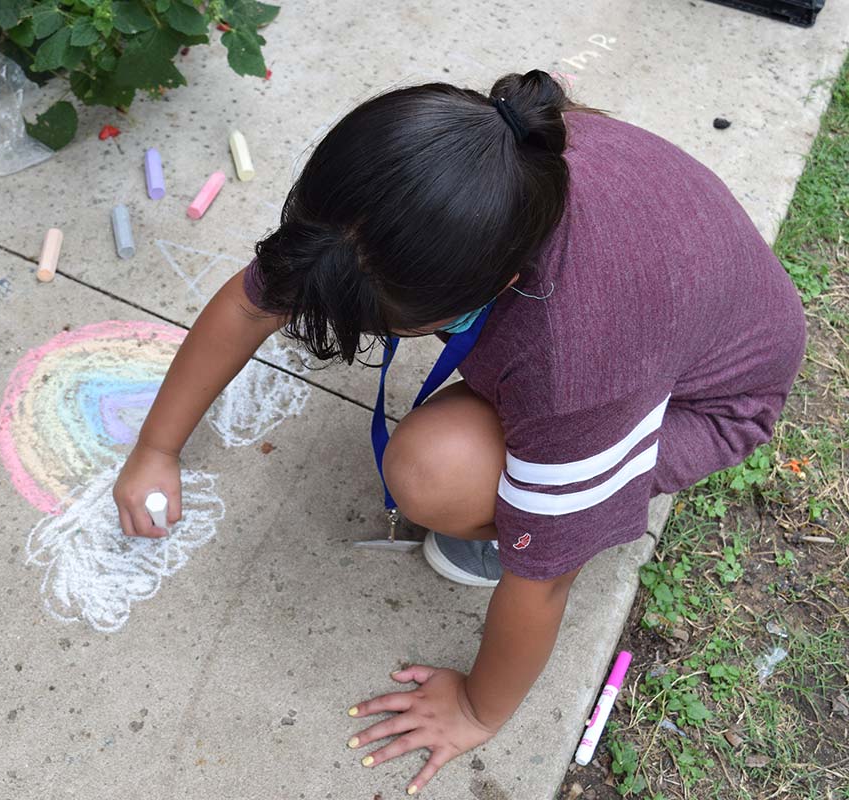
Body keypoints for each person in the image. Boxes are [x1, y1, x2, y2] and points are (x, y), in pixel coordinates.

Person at [112, 69, 805, 794]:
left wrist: (476, 709)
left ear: (496, 285)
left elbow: (544, 583)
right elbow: (253, 303)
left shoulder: (571, 366)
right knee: (462, 439)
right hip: (671, 313)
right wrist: (156, 447)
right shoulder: (484, 166)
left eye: (382, 324)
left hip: (706, 402)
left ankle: (499, 534)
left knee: (433, 473)